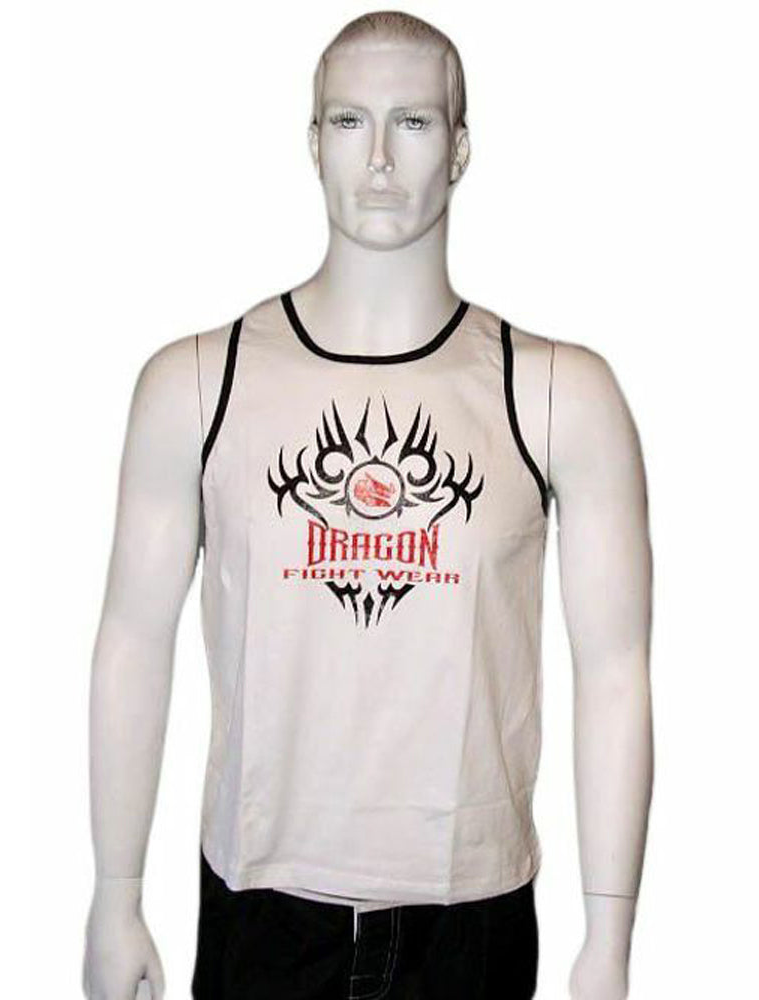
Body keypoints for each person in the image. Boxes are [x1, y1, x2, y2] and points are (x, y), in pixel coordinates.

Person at [82, 11, 653, 1000]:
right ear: (313, 142)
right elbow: (133, 638)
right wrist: (114, 893)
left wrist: (609, 936)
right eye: (349, 121)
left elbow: (614, 673)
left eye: (414, 122)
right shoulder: (199, 384)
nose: (380, 157)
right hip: (262, 908)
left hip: (469, 917)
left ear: (460, 147)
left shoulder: (557, 394)